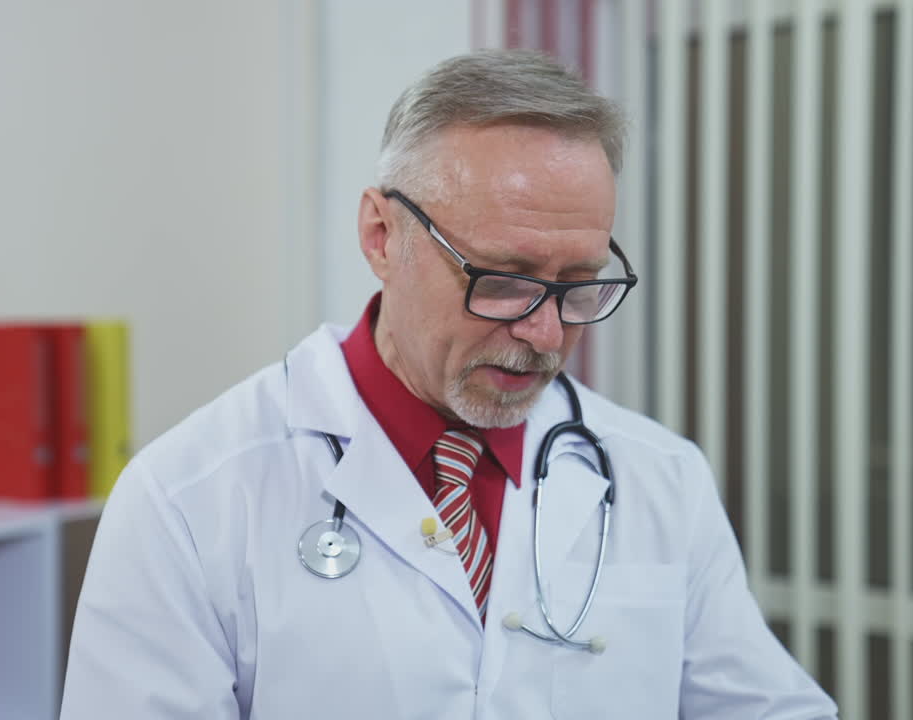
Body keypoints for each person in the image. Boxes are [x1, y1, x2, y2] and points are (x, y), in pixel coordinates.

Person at [61, 49, 837, 719]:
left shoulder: (661, 478)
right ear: (381, 236)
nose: (545, 333)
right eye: (505, 280)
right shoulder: (188, 499)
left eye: (578, 284)